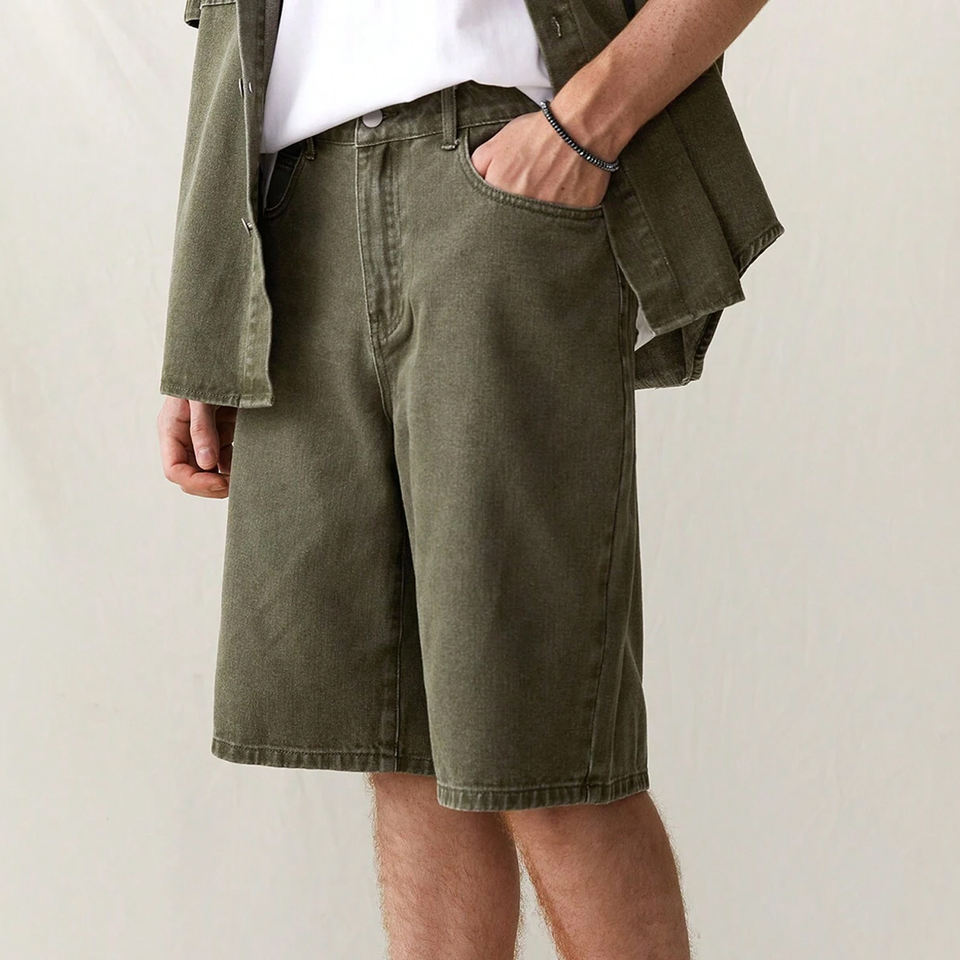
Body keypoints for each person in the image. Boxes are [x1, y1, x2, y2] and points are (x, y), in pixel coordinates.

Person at [156, 0, 782, 956]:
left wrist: (583, 127)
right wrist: (206, 320)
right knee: (402, 746)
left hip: (500, 172)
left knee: (546, 752)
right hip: (294, 214)